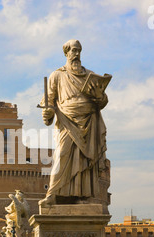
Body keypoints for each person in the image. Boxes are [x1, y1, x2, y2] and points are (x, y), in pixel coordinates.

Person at [39, 39, 110, 207]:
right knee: (62, 156)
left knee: (85, 160)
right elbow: (48, 102)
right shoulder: (57, 75)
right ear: (66, 53)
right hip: (66, 121)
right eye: (73, 51)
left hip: (88, 121)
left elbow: (102, 101)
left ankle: (83, 196)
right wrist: (47, 113)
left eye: (79, 51)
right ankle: (53, 194)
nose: (77, 54)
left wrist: (100, 96)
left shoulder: (90, 76)